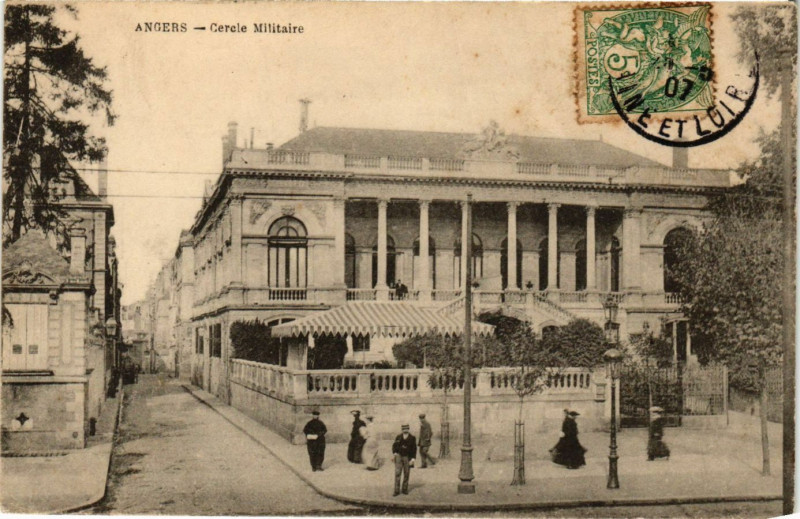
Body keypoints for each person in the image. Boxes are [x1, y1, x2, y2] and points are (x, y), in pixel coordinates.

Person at [392, 424, 417, 496]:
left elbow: (414, 449)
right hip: (399, 456)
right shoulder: (398, 437)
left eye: (406, 429)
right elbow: (394, 446)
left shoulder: (412, 438)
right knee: (397, 473)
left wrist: (413, 459)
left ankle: (404, 489)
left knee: (406, 473)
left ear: (408, 429)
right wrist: (395, 453)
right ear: (402, 429)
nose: (405, 430)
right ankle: (396, 490)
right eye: (403, 429)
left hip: (407, 457)